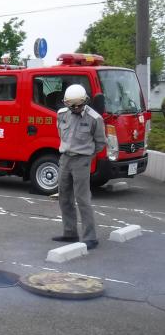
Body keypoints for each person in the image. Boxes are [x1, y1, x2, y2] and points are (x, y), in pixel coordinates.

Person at [52, 84, 107, 250]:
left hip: (82, 160)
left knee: (83, 199)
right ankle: (70, 232)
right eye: (72, 105)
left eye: (79, 105)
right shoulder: (61, 114)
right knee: (64, 197)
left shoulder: (94, 118)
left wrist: (86, 156)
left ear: (85, 101)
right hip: (65, 158)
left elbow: (100, 143)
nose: (76, 108)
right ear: (66, 103)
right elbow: (61, 134)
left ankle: (90, 237)